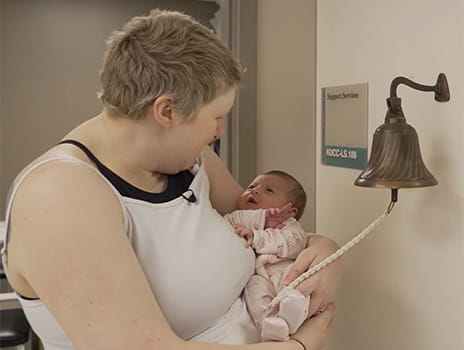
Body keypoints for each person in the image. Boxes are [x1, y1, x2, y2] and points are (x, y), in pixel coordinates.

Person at [1, 9, 341, 350]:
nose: (218, 133)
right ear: (166, 111)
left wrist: (325, 249)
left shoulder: (191, 160)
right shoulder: (59, 195)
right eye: (217, 117)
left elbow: (262, 223)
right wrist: (299, 346)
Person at [225, 171, 311, 342]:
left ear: (290, 210)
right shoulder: (239, 218)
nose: (255, 191)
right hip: (260, 276)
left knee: (293, 293)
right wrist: (262, 218)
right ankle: (269, 324)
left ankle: (292, 316)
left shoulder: (289, 226)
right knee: (255, 292)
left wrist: (258, 236)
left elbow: (293, 244)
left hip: (285, 272)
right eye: (251, 187)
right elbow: (231, 220)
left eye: (268, 190)